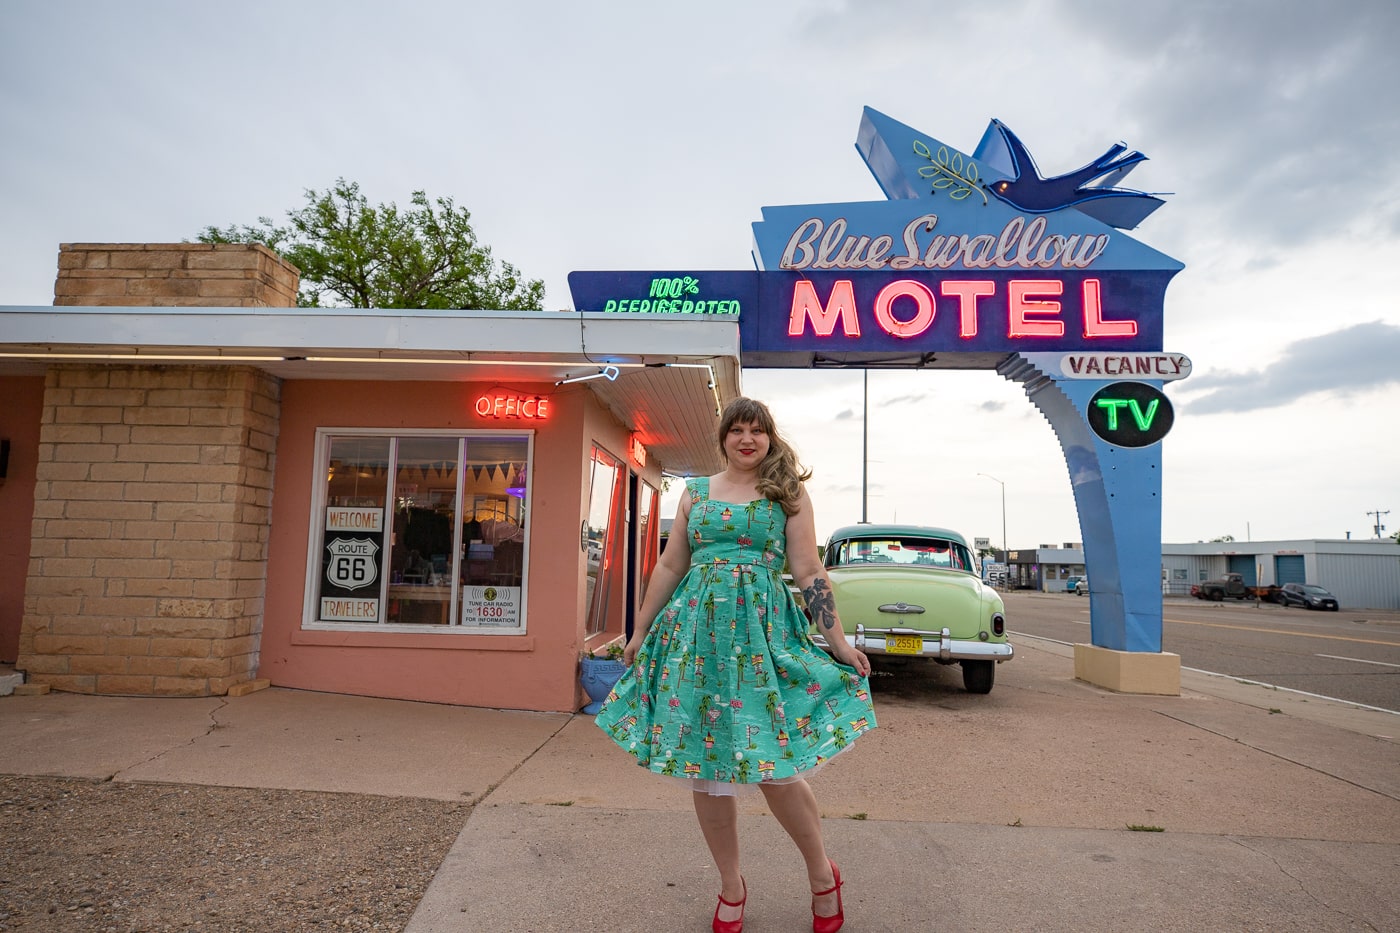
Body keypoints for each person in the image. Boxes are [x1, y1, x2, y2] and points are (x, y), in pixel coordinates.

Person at [596, 397, 876, 933]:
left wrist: (837, 642)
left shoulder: (786, 493)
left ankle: (822, 874)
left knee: (775, 767)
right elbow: (672, 563)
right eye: (737, 430)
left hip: (763, 641)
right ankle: (731, 886)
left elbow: (808, 567)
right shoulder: (695, 492)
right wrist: (640, 629)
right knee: (708, 772)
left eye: (758, 431)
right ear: (723, 437)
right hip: (696, 642)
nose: (747, 439)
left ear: (770, 438)